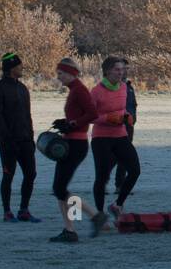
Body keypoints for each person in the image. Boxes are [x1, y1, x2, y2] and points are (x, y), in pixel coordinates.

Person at [48, 58, 111, 243]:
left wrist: (72, 124)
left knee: (59, 188)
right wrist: (66, 123)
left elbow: (92, 114)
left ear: (70, 73)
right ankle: (69, 229)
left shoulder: (80, 90)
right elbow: (79, 116)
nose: (58, 77)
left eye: (60, 73)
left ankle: (95, 217)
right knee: (60, 189)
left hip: (76, 145)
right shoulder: (74, 90)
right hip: (71, 143)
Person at [0, 52, 39, 222]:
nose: (22, 68)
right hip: (8, 142)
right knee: (8, 176)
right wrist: (8, 140)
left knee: (31, 174)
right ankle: (7, 212)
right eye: (19, 66)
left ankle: (24, 210)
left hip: (25, 140)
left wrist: (31, 138)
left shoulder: (23, 88)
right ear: (11, 68)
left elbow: (28, 115)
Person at [91, 56, 140, 218]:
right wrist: (107, 119)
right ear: (107, 71)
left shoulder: (124, 87)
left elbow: (122, 110)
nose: (121, 73)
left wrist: (127, 116)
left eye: (122, 69)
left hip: (120, 136)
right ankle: (99, 213)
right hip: (101, 138)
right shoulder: (96, 91)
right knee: (102, 177)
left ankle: (117, 205)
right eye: (117, 70)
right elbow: (89, 116)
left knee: (135, 170)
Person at [112, 58, 138, 194]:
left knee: (122, 158)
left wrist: (132, 121)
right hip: (118, 126)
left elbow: (133, 105)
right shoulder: (115, 86)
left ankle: (119, 185)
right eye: (123, 68)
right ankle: (114, 184)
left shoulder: (129, 86)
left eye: (127, 68)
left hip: (129, 126)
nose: (126, 71)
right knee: (117, 157)